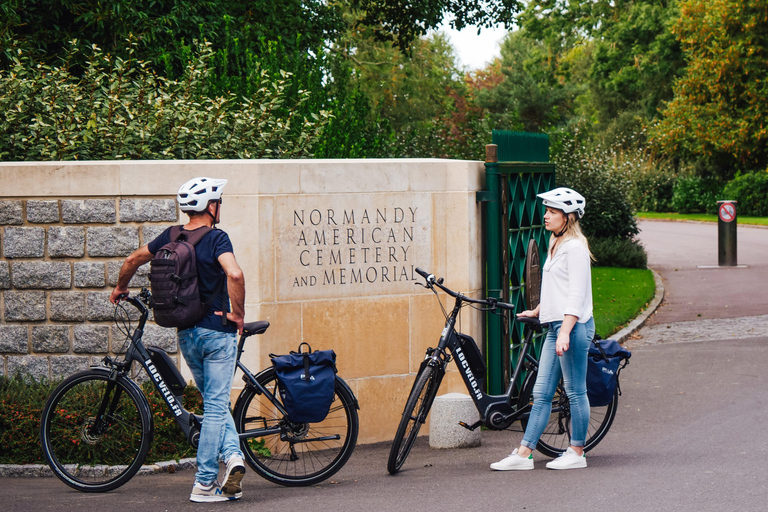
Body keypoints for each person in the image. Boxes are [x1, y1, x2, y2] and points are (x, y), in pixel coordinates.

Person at [110, 177, 247, 502]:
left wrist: (120, 288)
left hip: (187, 333)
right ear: (212, 207)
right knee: (215, 405)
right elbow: (235, 274)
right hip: (217, 332)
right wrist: (238, 314)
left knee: (212, 402)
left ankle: (233, 458)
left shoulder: (170, 236)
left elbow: (132, 260)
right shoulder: (216, 238)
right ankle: (203, 485)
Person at [491, 187, 595, 471]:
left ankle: (576, 452)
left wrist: (565, 332)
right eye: (546, 210)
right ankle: (524, 454)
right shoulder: (555, 242)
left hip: (572, 328)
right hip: (556, 326)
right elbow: (555, 286)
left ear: (568, 217)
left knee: (574, 391)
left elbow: (576, 294)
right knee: (541, 392)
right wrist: (538, 311)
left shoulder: (575, 248)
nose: (545, 215)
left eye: (552, 212)